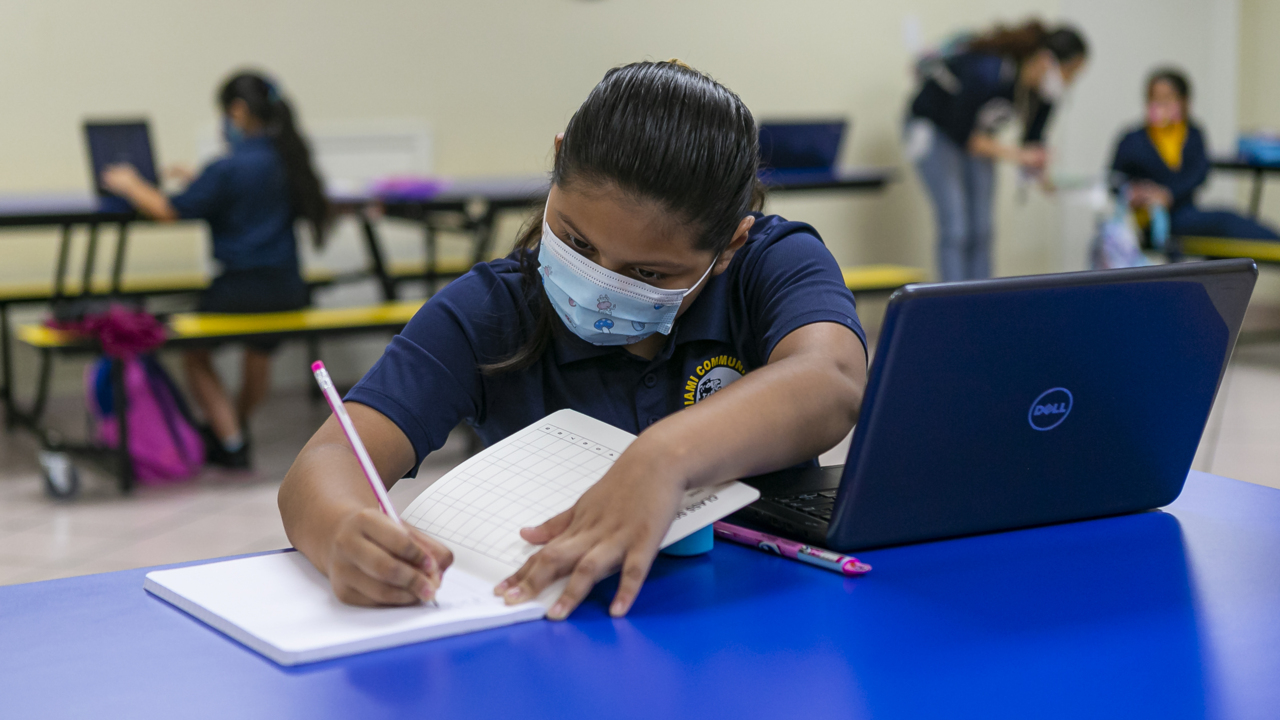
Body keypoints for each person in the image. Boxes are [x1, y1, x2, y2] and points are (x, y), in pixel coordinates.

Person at [277, 61, 869, 619]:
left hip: (767, 615)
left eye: (648, 275)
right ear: (558, 162)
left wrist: (665, 457)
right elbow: (329, 460)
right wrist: (340, 533)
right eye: (578, 244)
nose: (601, 286)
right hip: (564, 622)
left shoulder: (771, 263)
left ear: (730, 246)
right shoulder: (491, 310)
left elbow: (833, 379)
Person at [102, 71, 328, 468]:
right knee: (259, 357)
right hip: (286, 287)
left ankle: (232, 443)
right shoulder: (288, 159)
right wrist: (200, 180)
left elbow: (169, 210)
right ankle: (232, 430)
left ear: (237, 111)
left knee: (194, 352)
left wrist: (130, 184)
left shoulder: (228, 168)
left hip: (239, 289)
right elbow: (244, 194)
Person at [906, 21, 1089, 281]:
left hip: (977, 137)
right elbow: (962, 134)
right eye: (1069, 72)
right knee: (956, 224)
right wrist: (1018, 155)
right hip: (935, 130)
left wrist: (1046, 179)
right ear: (1046, 60)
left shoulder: (1045, 94)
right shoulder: (990, 72)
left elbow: (1033, 142)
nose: (1069, 82)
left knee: (982, 227)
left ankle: (980, 303)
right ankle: (953, 307)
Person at [1110, 67, 1279, 241]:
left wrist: (1168, 195)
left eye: (1167, 98)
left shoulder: (1192, 134)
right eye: (1154, 98)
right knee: (1223, 220)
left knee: (1227, 227)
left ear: (1184, 101)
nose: (1160, 104)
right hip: (1150, 219)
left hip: (1186, 212)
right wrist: (1133, 192)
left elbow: (1199, 174)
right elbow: (1113, 179)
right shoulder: (1132, 139)